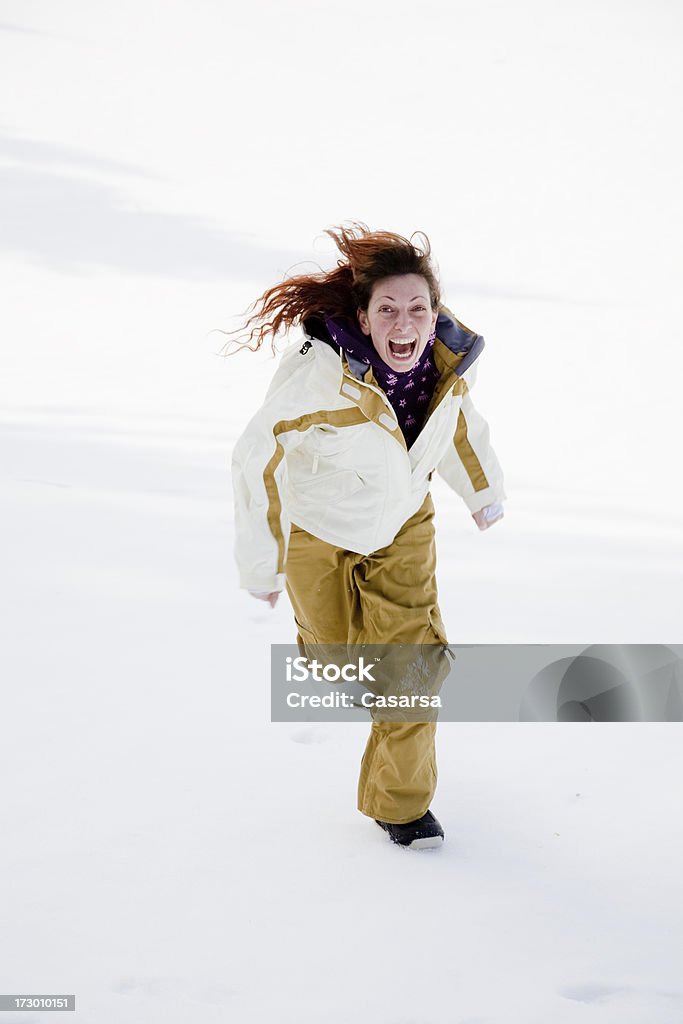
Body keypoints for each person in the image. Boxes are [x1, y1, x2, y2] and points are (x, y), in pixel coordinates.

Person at [229, 223, 506, 849]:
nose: (403, 323)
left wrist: (482, 492)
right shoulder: (320, 379)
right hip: (318, 531)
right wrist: (263, 562)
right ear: (364, 317)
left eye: (418, 308)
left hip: (404, 524)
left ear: (434, 316)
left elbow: (457, 427)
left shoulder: (445, 367)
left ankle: (402, 806)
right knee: (336, 664)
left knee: (411, 673)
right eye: (388, 309)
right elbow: (258, 459)